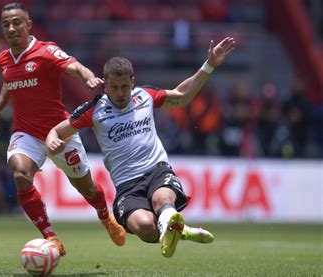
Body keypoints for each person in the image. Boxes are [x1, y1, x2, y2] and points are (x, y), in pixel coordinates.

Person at [46, 37, 235, 258]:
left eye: (125, 86)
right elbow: (58, 131)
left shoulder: (144, 96)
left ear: (133, 81)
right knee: (145, 227)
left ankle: (169, 221)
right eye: (114, 87)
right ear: (105, 84)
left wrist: (209, 65)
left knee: (162, 199)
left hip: (157, 170)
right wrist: (52, 139)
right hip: (127, 185)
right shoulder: (94, 110)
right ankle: (176, 230)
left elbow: (181, 97)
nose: (120, 92)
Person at [0, 2, 125, 256]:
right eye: (6, 24)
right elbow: (9, 83)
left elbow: (73, 65)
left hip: (60, 133)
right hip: (25, 133)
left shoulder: (46, 51)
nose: (11, 28)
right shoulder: (3, 58)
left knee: (87, 189)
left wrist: (87, 76)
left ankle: (106, 218)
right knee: (20, 174)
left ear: (28, 25)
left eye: (17, 22)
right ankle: (50, 237)